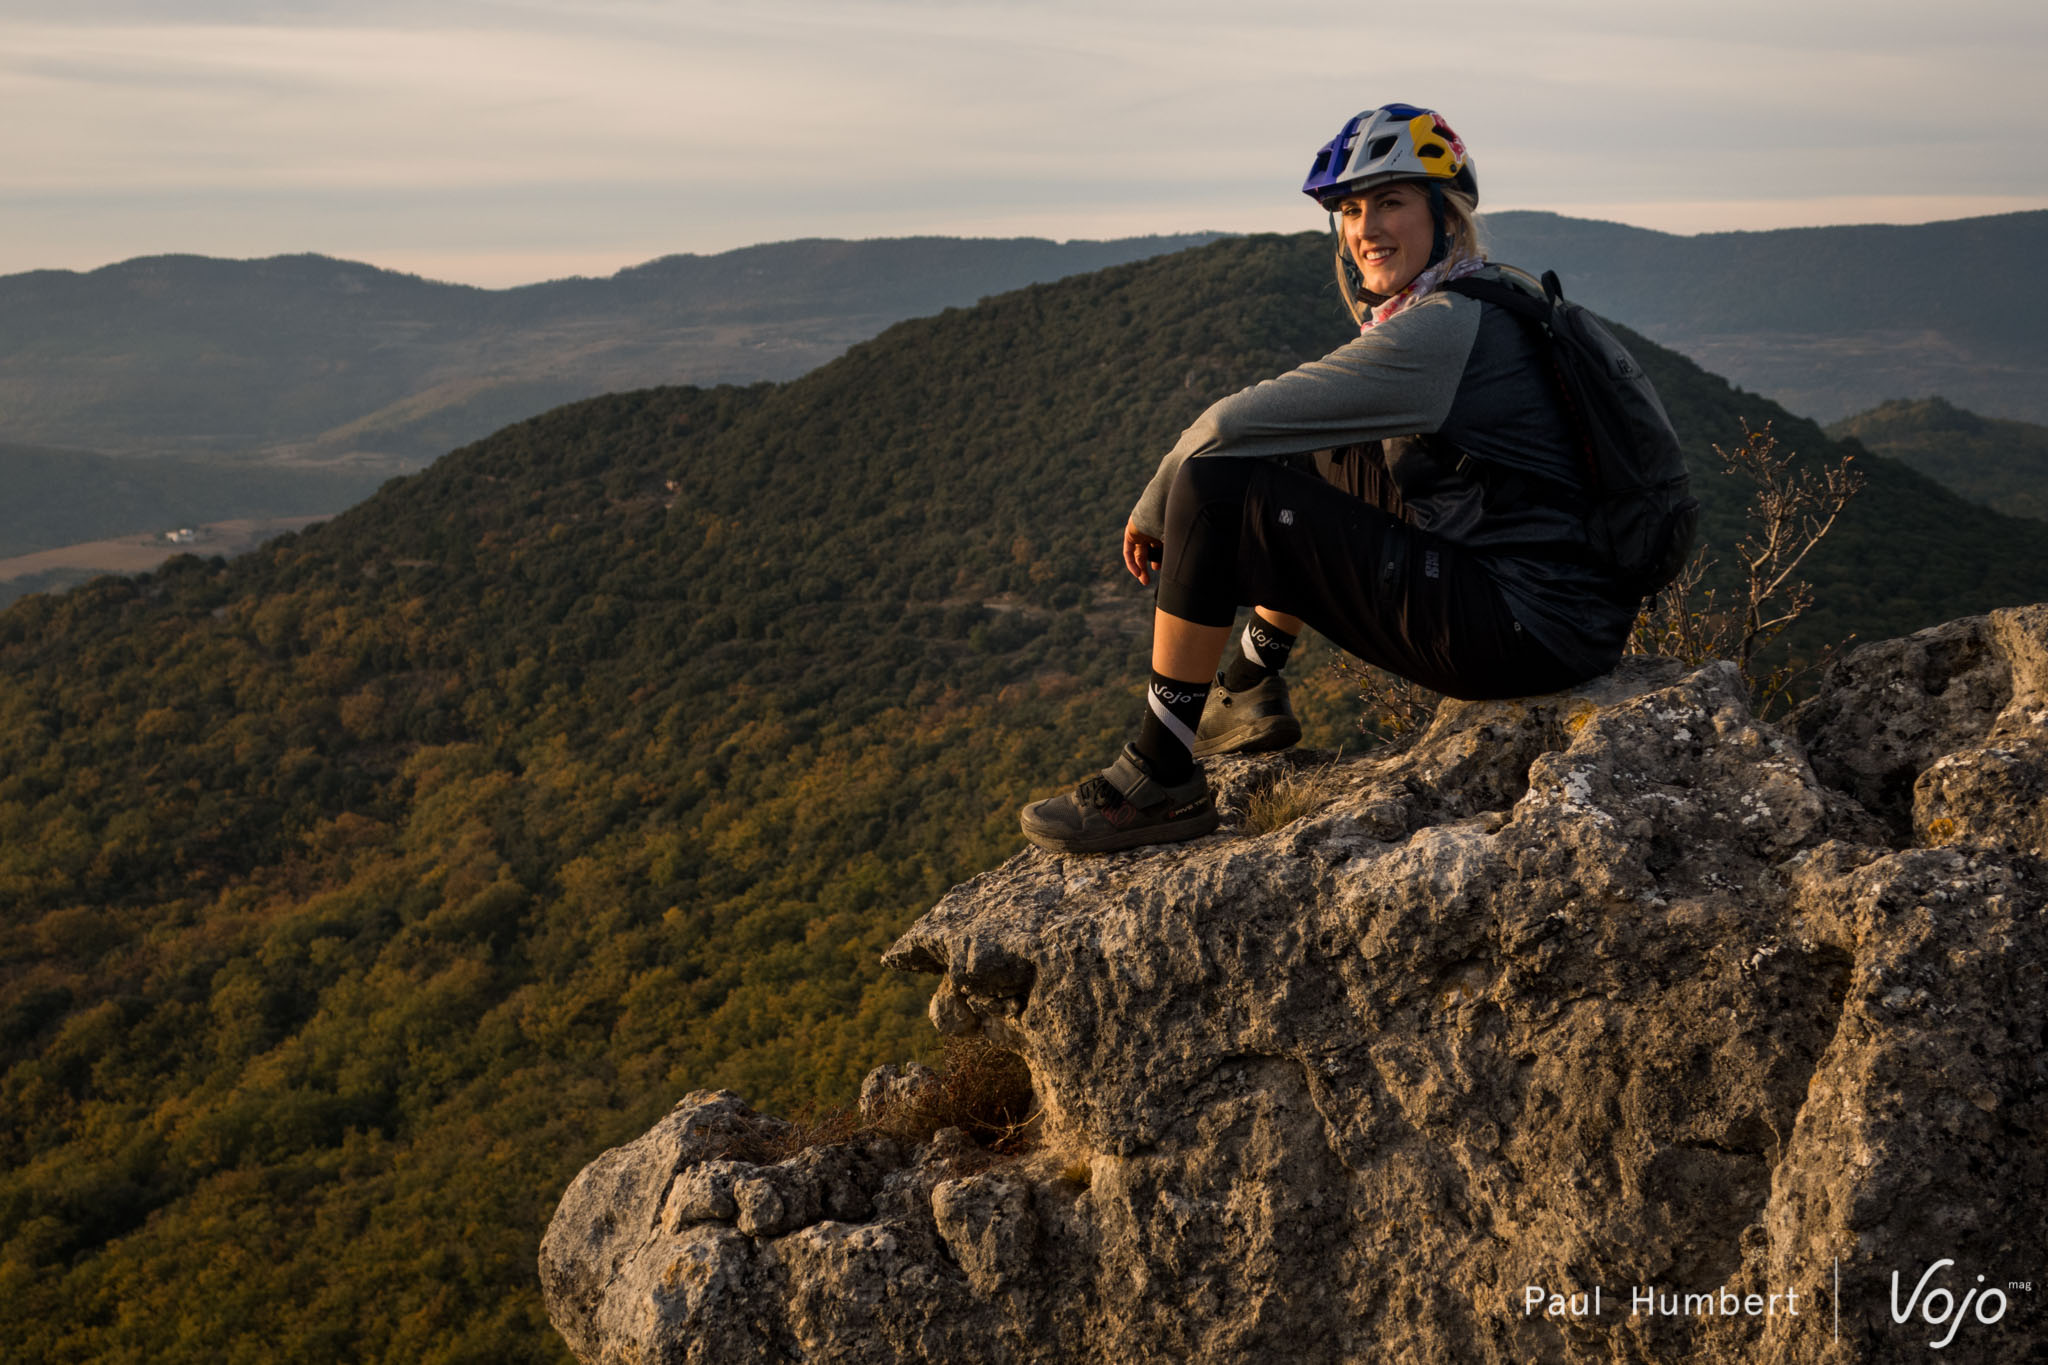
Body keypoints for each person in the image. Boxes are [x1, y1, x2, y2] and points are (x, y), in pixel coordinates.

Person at [1019, 103, 1637, 855]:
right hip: (1561, 614)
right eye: (1350, 210)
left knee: (1213, 488)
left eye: (1391, 201)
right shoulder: (1492, 294)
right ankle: (1249, 685)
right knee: (1309, 450)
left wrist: (1154, 505)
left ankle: (1159, 774)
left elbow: (1231, 421)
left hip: (1522, 629)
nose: (1366, 227)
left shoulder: (1444, 327)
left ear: (1445, 214)